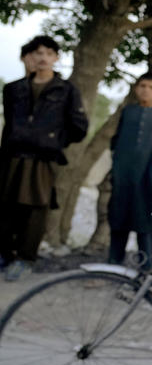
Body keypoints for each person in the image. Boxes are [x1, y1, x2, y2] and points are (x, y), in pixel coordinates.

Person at [0, 35, 88, 280]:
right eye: (38, 53)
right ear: (31, 57)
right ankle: (4, 254)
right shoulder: (14, 89)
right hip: (12, 155)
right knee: (6, 207)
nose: (43, 58)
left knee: (35, 209)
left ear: (56, 58)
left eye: (49, 54)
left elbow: (79, 127)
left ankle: (25, 259)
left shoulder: (67, 91)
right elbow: (10, 123)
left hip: (43, 159)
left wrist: (53, 141)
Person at [107, 73, 152, 269]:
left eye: (150, 87)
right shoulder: (128, 111)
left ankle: (147, 268)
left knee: (146, 222)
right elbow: (115, 140)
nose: (145, 90)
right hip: (123, 177)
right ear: (136, 88)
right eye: (142, 86)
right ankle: (113, 265)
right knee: (119, 218)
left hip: (148, 179)